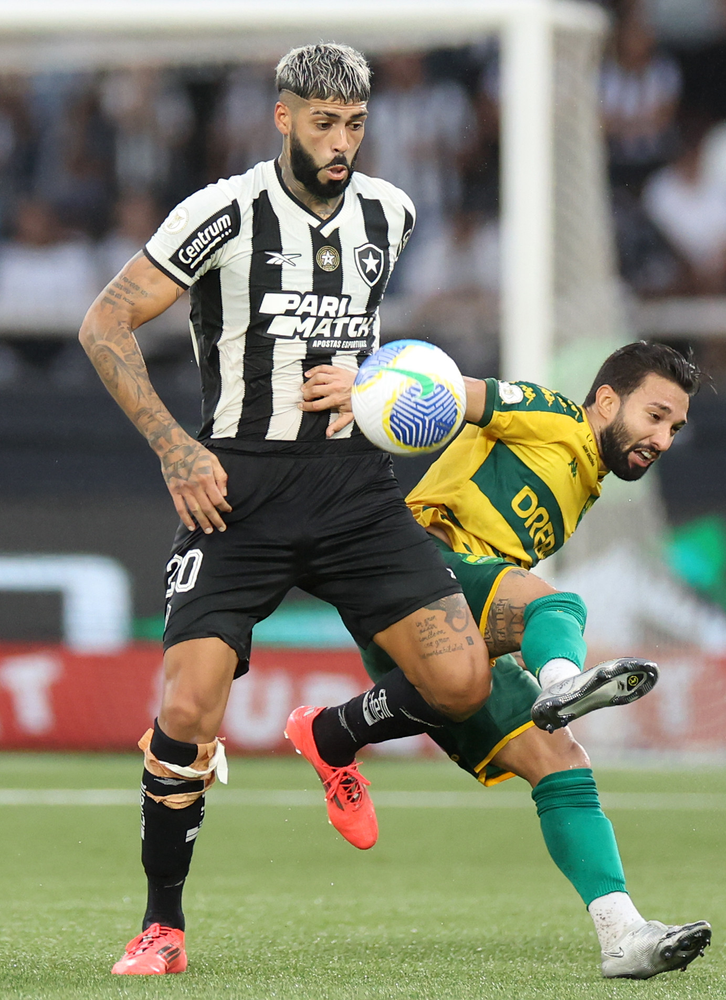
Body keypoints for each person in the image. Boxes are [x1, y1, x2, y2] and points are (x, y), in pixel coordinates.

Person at [78, 42, 492, 976]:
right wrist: (174, 446)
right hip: (237, 489)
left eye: (355, 125)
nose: (341, 142)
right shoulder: (222, 212)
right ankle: (162, 926)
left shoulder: (392, 212)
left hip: (355, 489)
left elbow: (356, 338)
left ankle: (332, 734)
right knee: (187, 707)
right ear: (283, 118)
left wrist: (369, 382)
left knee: (462, 683)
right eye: (323, 123)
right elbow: (103, 322)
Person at [287, 342, 713, 979]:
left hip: (450, 620)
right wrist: (369, 387)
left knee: (562, 764)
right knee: (554, 607)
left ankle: (622, 934)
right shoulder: (555, 417)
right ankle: (563, 682)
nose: (663, 439)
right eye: (655, 416)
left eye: (674, 428)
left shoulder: (587, 481)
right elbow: (450, 391)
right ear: (605, 400)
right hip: (413, 571)